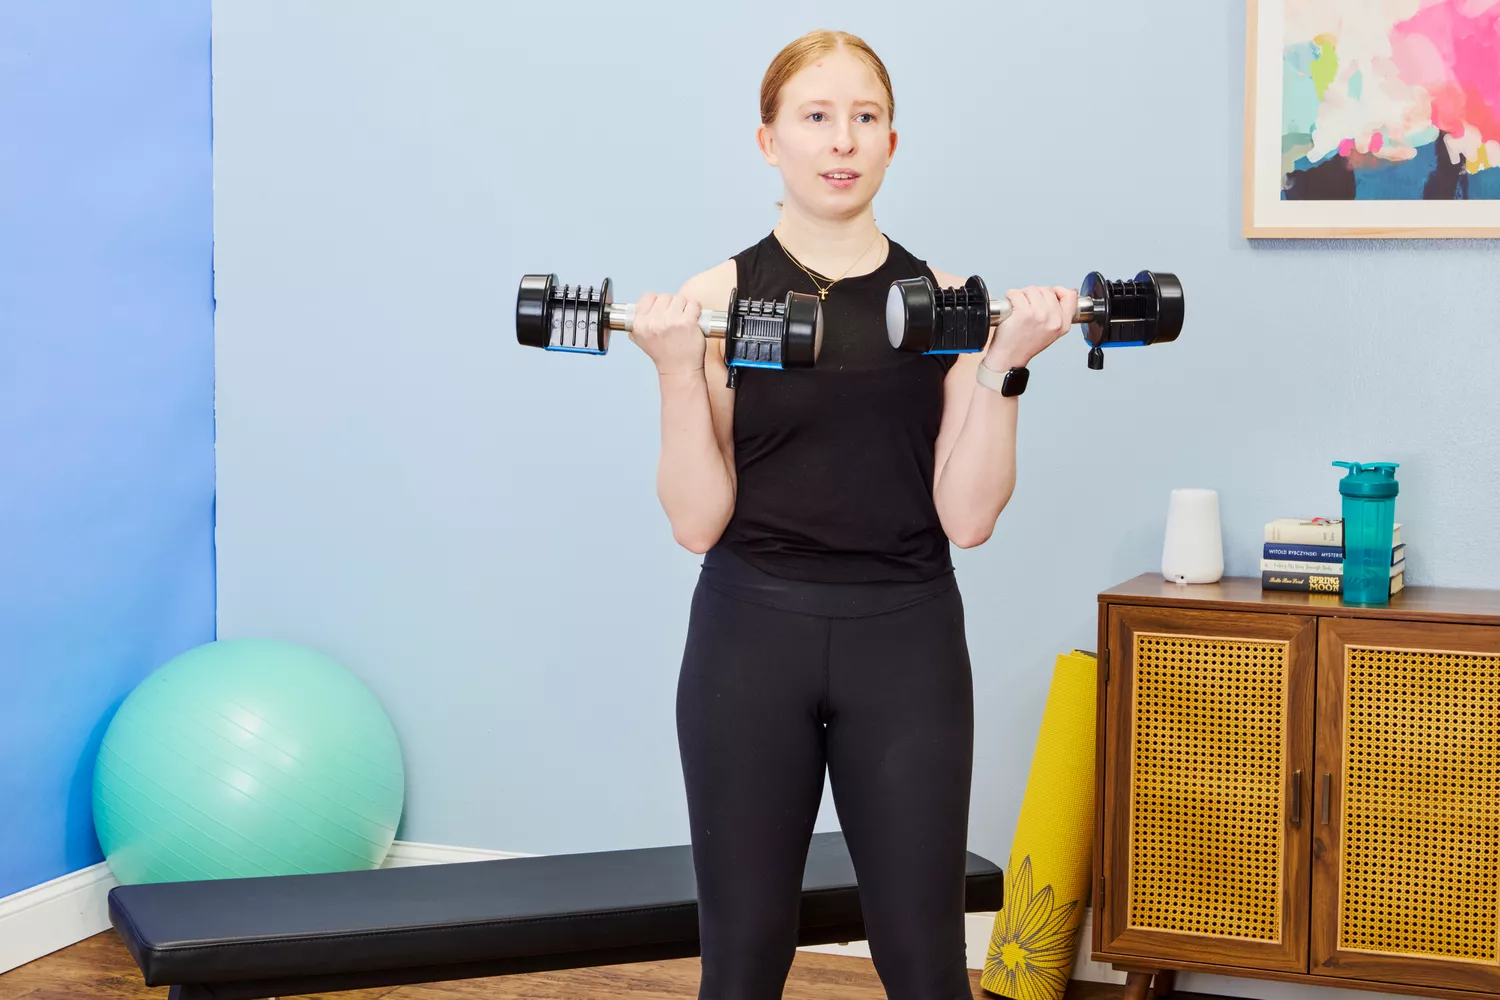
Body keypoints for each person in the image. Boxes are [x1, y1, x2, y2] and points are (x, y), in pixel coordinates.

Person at [627, 29, 1078, 1000]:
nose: (842, 141)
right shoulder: (714, 301)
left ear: (892, 142)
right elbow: (696, 522)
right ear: (768, 141)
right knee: (743, 956)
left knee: (922, 959)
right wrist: (675, 370)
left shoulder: (949, 304)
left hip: (905, 640)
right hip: (750, 637)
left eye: (864, 118)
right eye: (816, 117)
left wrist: (1004, 368)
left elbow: (969, 516)